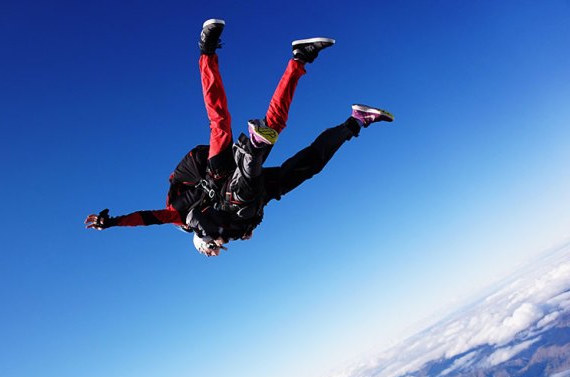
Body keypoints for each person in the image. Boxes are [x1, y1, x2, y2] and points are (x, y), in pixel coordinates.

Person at [85, 19, 393, 256]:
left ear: (201, 239)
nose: (218, 247)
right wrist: (244, 227)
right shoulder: (232, 227)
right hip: (253, 188)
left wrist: (112, 222)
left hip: (211, 171)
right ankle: (320, 82)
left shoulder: (181, 217)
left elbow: (148, 218)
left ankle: (206, 52)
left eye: (212, 247)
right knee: (298, 154)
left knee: (220, 122)